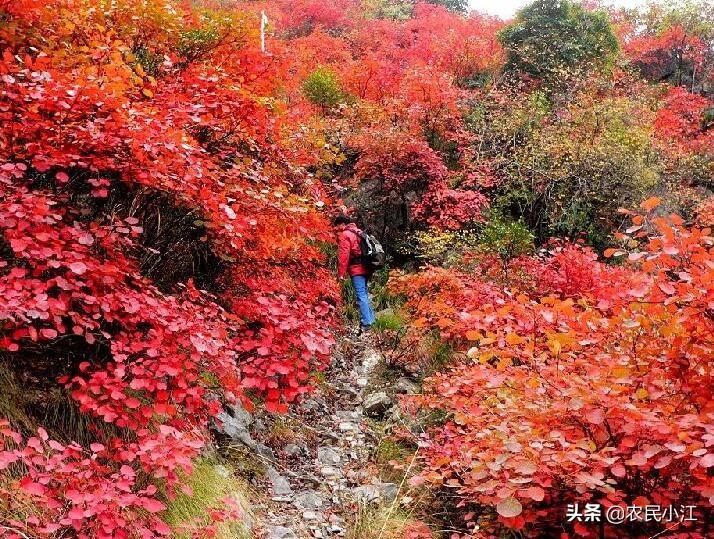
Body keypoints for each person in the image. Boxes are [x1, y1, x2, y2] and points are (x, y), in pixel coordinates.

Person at [334, 215, 376, 331]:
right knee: (364, 293)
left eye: (338, 225)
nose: (338, 228)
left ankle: (366, 323)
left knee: (361, 295)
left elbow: (343, 256)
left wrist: (341, 274)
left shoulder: (345, 235)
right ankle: (371, 319)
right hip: (366, 267)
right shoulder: (358, 231)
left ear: (342, 224)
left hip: (356, 269)